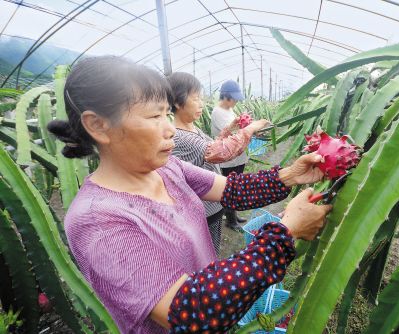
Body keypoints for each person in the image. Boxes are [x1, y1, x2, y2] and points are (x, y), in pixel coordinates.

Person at [47, 56, 332, 333]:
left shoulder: (167, 167)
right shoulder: (96, 221)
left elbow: (231, 190)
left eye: (166, 114)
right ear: (98, 125)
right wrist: (285, 231)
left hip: (220, 307)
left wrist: (290, 175)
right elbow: (189, 312)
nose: (170, 128)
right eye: (154, 115)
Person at [167, 72, 269, 255]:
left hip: (212, 206)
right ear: (176, 102)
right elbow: (221, 152)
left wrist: (230, 128)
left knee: (211, 246)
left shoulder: (192, 127)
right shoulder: (179, 136)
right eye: (196, 99)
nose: (201, 104)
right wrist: (251, 128)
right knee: (206, 252)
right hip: (202, 210)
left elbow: (213, 144)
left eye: (201, 99)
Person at [211, 80, 251, 230]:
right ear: (227, 96)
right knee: (229, 188)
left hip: (237, 158)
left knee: (236, 186)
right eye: (235, 98)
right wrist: (249, 128)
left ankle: (233, 215)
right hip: (228, 160)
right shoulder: (218, 112)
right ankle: (230, 220)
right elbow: (232, 134)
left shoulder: (229, 110)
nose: (236, 102)